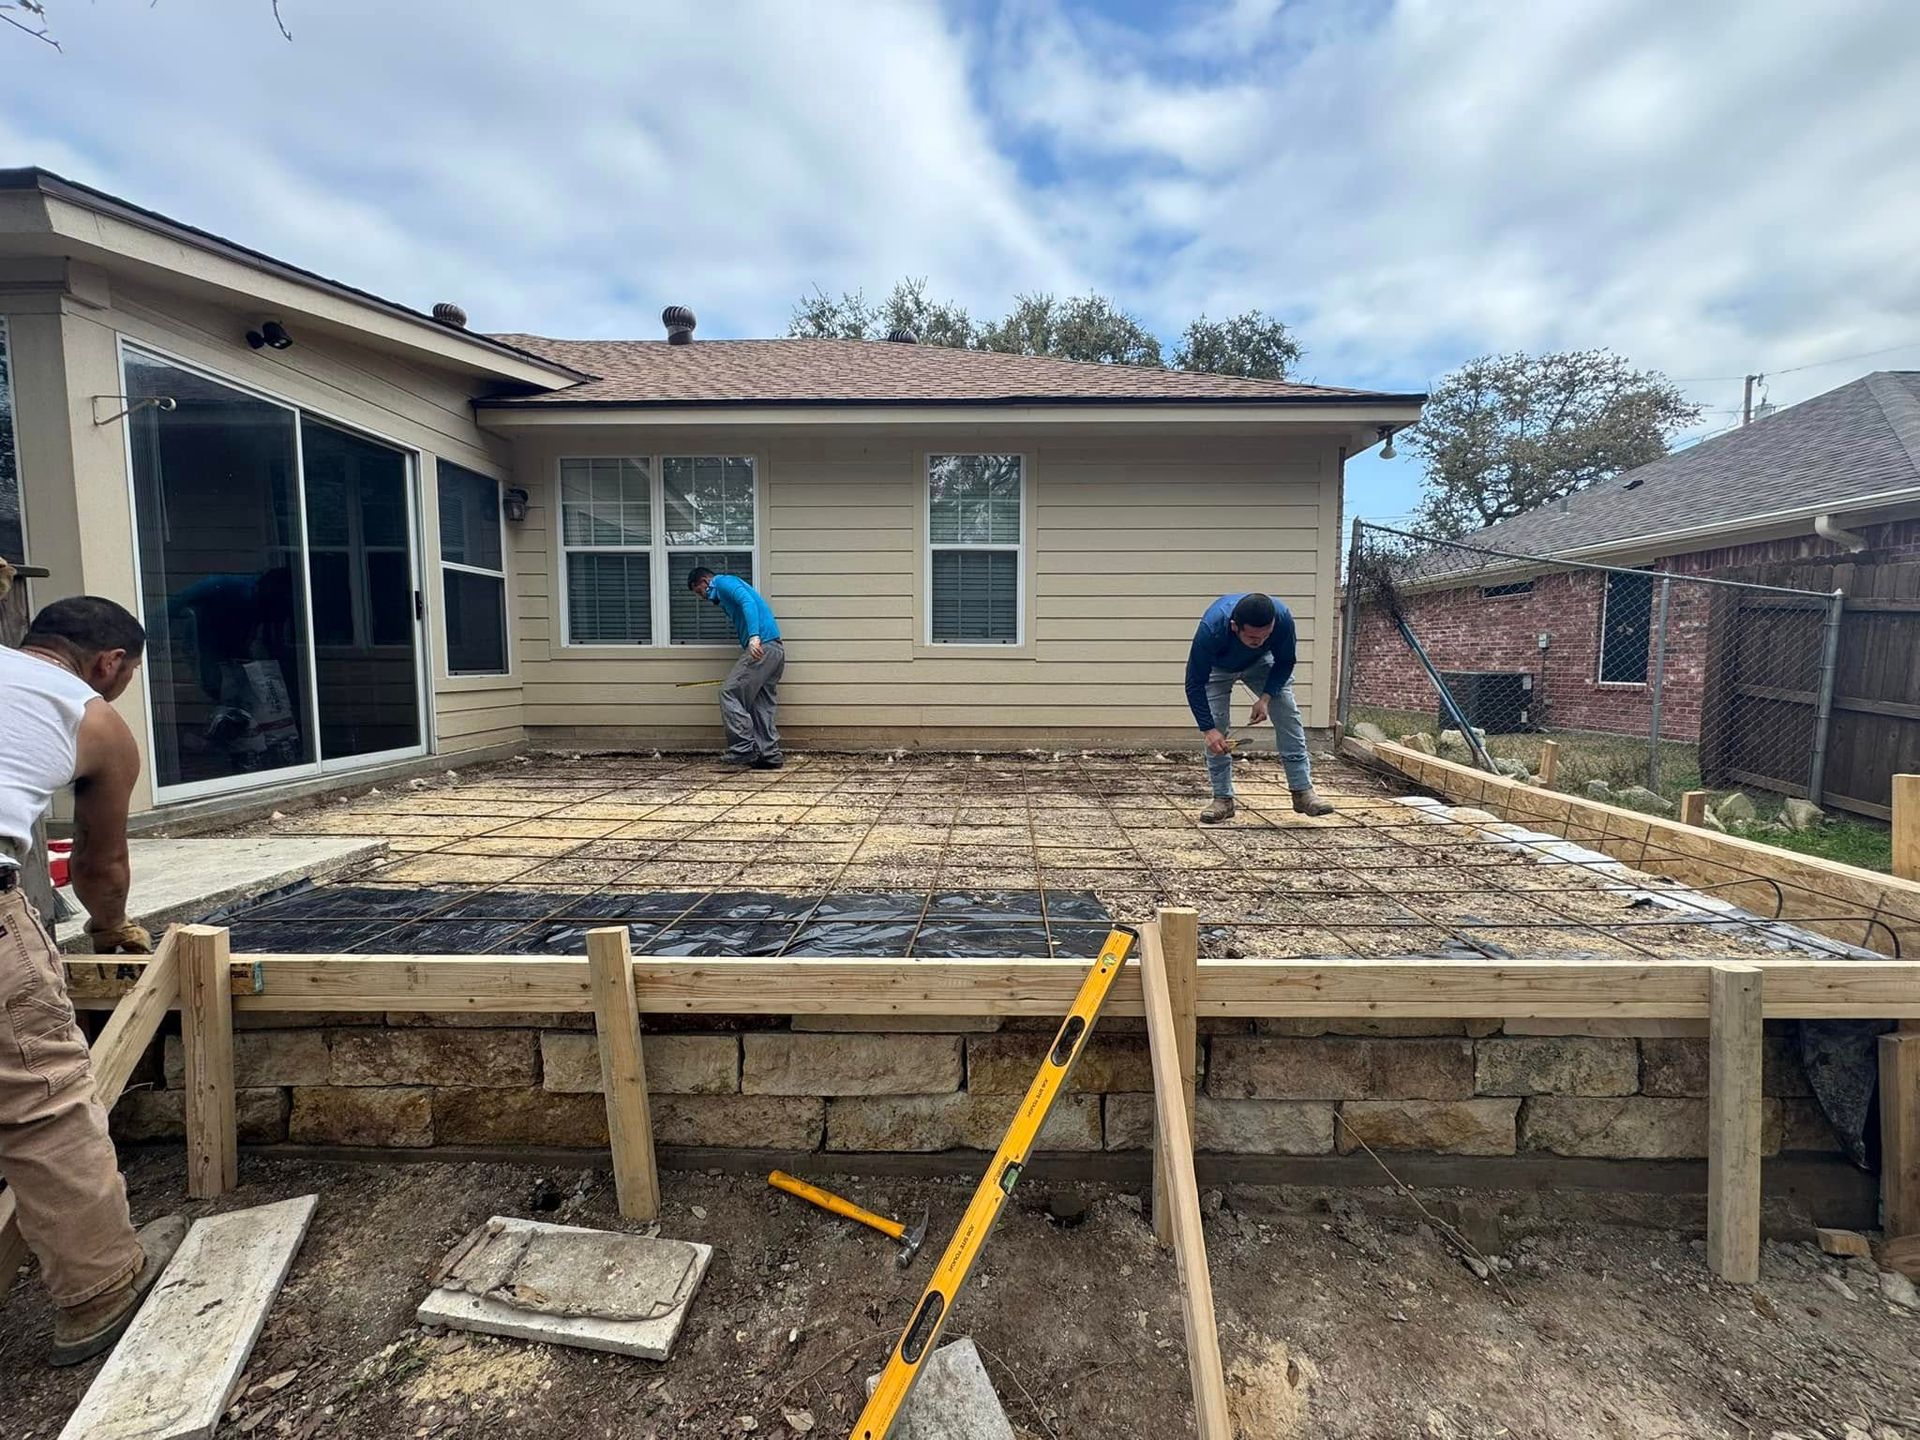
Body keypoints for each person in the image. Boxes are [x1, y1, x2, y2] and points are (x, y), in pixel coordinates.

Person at [0, 594, 187, 1364]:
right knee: (39, 1103)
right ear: (109, 663)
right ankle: (100, 1292)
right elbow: (99, 868)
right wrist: (110, 931)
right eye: (126, 676)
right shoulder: (92, 717)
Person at [1184, 591, 1334, 823]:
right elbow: (1194, 683)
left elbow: (1285, 662)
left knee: (1287, 711)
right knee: (1217, 722)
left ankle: (1302, 792)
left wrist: (1265, 698)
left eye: (1267, 636)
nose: (1261, 641)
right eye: (1254, 639)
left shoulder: (1282, 618)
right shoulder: (1211, 629)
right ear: (1235, 627)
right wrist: (1208, 730)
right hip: (1218, 667)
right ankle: (1222, 798)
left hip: (1261, 664)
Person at [686, 567, 785, 769]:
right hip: (775, 649)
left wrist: (754, 636)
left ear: (705, 581)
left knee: (729, 693)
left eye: (699, 591)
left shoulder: (723, 582)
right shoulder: (723, 592)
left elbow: (747, 602)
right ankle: (770, 755)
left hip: (762, 647)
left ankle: (742, 749)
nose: (702, 597)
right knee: (761, 703)